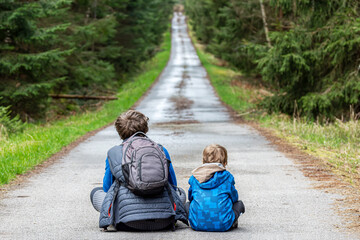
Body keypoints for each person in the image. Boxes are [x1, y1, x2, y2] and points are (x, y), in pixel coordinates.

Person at [90, 110, 187, 231]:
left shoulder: (114, 152)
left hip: (126, 223)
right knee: (181, 192)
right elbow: (173, 186)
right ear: (145, 129)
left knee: (96, 192)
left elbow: (107, 188)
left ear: (119, 132)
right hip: (164, 221)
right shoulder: (160, 149)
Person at [186, 144, 245, 231]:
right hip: (224, 224)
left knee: (187, 204)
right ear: (225, 163)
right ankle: (231, 221)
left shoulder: (195, 177)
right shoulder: (227, 177)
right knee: (239, 204)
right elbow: (234, 198)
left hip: (197, 224)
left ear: (203, 161)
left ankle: (198, 219)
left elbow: (191, 197)